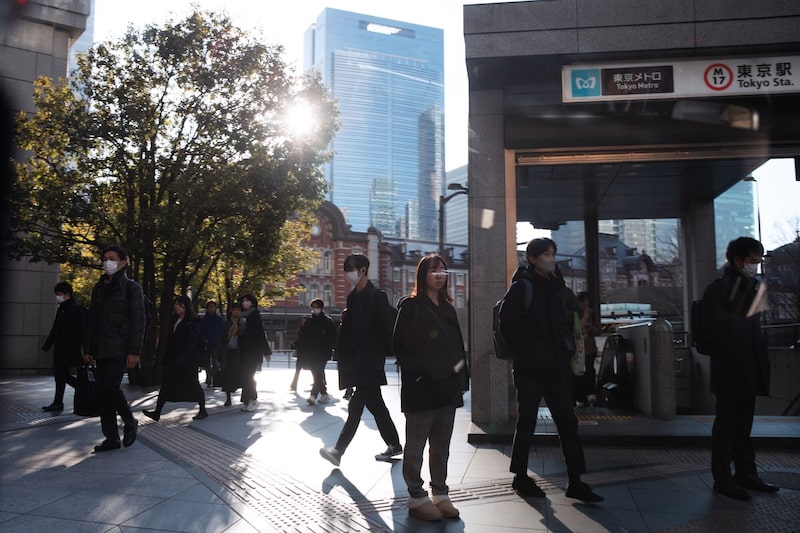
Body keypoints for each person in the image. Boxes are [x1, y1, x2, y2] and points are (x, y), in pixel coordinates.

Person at [497, 238, 603, 502]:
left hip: (556, 370)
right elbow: (507, 324)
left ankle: (576, 481)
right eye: (545, 254)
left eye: (553, 253)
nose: (550, 257)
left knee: (568, 423)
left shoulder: (556, 289)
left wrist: (567, 354)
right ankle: (520, 476)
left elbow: (563, 325)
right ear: (532, 259)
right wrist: (528, 353)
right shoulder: (522, 288)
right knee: (527, 423)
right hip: (531, 370)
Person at [392, 255, 469, 521]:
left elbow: (458, 346)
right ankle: (416, 496)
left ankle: (441, 494)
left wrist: (461, 379)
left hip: (447, 389)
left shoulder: (448, 307)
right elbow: (400, 347)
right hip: (422, 389)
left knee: (441, 446)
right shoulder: (411, 306)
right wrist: (420, 376)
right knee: (415, 446)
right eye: (433, 270)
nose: (439, 275)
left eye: (442, 270)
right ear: (422, 274)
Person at [704, 236, 778, 500]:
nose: (755, 266)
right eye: (751, 261)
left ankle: (746, 474)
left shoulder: (754, 287)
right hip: (731, 367)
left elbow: (756, 328)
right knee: (726, 425)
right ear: (737, 261)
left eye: (757, 262)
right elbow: (718, 331)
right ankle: (723, 479)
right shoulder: (720, 289)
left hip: (748, 366)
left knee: (743, 425)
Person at [319, 253, 402, 466]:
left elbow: (385, 331)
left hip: (371, 361)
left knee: (355, 406)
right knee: (376, 404)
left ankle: (338, 450)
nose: (348, 275)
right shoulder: (352, 297)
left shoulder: (377, 296)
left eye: (351, 270)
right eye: (346, 270)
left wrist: (379, 354)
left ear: (362, 270)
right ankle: (394, 443)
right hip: (357, 361)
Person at [84, 245, 144, 453]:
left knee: (110, 387)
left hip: (121, 348)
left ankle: (130, 421)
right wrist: (88, 347)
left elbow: (138, 321)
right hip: (101, 348)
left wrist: (134, 351)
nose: (107, 262)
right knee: (103, 393)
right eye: (105, 258)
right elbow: (92, 320)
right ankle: (111, 437)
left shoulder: (131, 288)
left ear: (123, 261)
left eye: (112, 258)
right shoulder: (98, 288)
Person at [143, 295, 208, 421]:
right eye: (175, 304)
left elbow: (191, 343)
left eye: (179, 304)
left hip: (188, 361)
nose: (176, 306)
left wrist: (182, 358)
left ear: (186, 306)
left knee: (194, 385)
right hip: (173, 359)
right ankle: (157, 412)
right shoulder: (174, 319)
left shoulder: (193, 321)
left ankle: (202, 409)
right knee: (166, 385)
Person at [41, 281, 86, 412]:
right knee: (60, 375)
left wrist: (87, 350)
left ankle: (81, 389)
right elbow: (55, 329)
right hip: (61, 348)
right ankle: (58, 402)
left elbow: (82, 331)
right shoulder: (62, 309)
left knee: (62, 375)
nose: (58, 297)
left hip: (70, 349)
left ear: (67, 294)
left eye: (59, 294)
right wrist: (47, 345)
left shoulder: (75, 309)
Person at [297, 299, 338, 405]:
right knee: (316, 373)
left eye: (317, 306)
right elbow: (303, 336)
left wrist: (328, 347)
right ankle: (324, 394)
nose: (315, 309)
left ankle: (313, 395)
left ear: (321, 307)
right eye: (313, 307)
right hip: (311, 353)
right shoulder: (309, 322)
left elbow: (333, 337)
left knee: (317, 371)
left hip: (322, 353)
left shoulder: (327, 321)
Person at [238, 294, 271, 412]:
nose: (245, 302)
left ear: (252, 302)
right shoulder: (241, 316)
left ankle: (253, 399)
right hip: (243, 351)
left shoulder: (255, 315)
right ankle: (247, 400)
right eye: (243, 300)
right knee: (245, 376)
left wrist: (267, 351)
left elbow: (260, 333)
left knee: (248, 376)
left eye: (247, 301)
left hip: (253, 351)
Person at [572, 291, 602, 406]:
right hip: (578, 348)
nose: (586, 305)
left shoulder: (592, 314)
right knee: (578, 373)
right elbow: (575, 328)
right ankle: (580, 396)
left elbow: (598, 330)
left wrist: (591, 329)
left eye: (587, 302)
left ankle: (589, 395)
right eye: (584, 302)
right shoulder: (575, 314)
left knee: (589, 371)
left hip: (589, 348)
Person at [220, 303, 242, 407]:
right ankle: (228, 398)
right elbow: (221, 337)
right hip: (228, 352)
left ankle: (245, 396)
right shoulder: (226, 323)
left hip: (240, 353)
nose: (236, 312)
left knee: (242, 375)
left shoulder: (243, 323)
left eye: (238, 310)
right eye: (234, 310)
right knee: (227, 376)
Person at [200, 299, 224, 387]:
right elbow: (201, 331)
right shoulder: (204, 320)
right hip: (206, 343)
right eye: (210, 307)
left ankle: (212, 376)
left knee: (215, 362)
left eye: (213, 307)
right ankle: (209, 377)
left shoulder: (219, 319)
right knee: (207, 363)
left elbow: (222, 331)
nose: (211, 309)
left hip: (216, 343)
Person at [289, 317, 308, 392]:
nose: (303, 323)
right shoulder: (301, 330)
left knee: (314, 370)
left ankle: (320, 384)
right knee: (298, 370)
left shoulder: (307, 331)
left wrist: (296, 344)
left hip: (307, 353)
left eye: (304, 321)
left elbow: (302, 340)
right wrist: (294, 344)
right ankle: (294, 385)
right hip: (301, 353)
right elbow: (299, 340)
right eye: (302, 321)